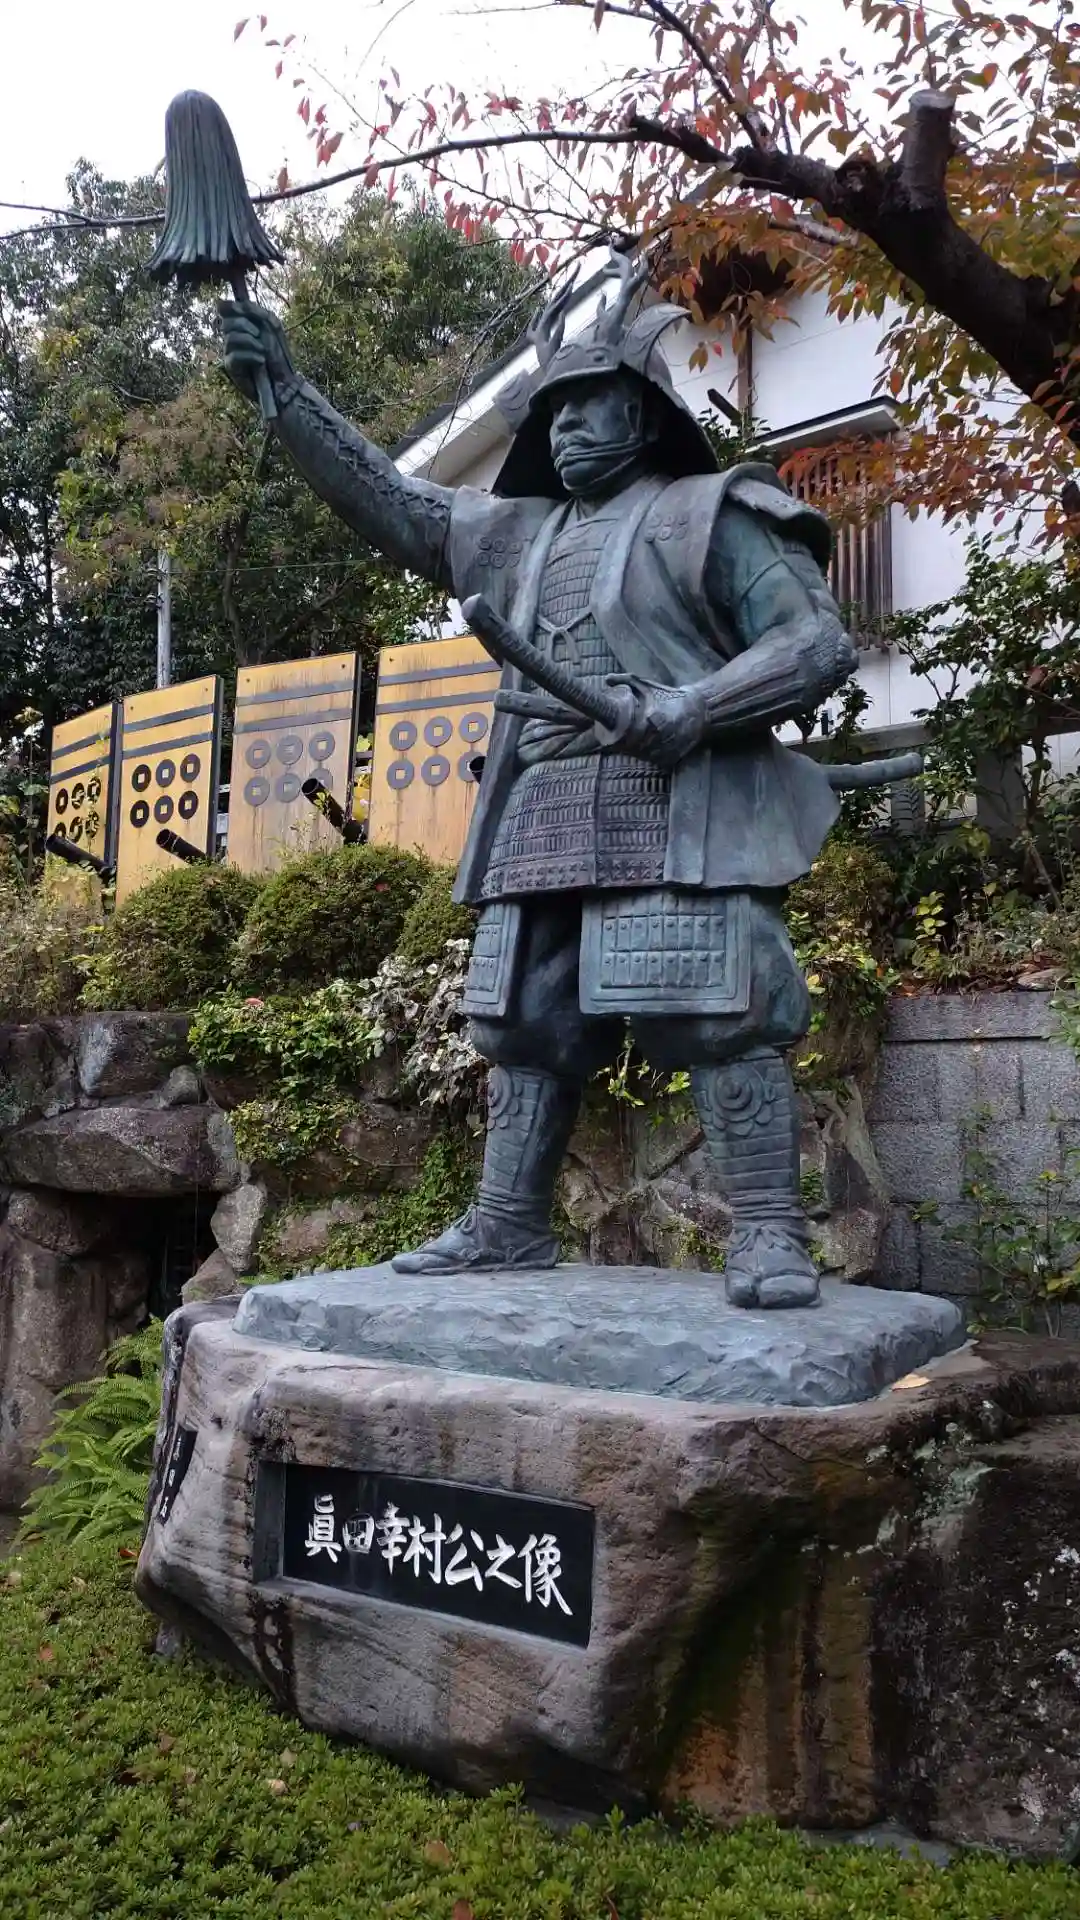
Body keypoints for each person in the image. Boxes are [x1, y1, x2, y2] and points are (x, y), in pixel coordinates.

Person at [221, 250, 858, 1308]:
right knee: (522, 1021)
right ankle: (508, 1222)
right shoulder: (512, 534)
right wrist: (286, 393)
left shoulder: (713, 511)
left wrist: (693, 708)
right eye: (551, 410)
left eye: (586, 404)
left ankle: (768, 1230)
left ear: (642, 415)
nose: (563, 426)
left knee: (720, 1008)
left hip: (676, 797)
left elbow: (815, 643)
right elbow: (390, 498)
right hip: (544, 802)